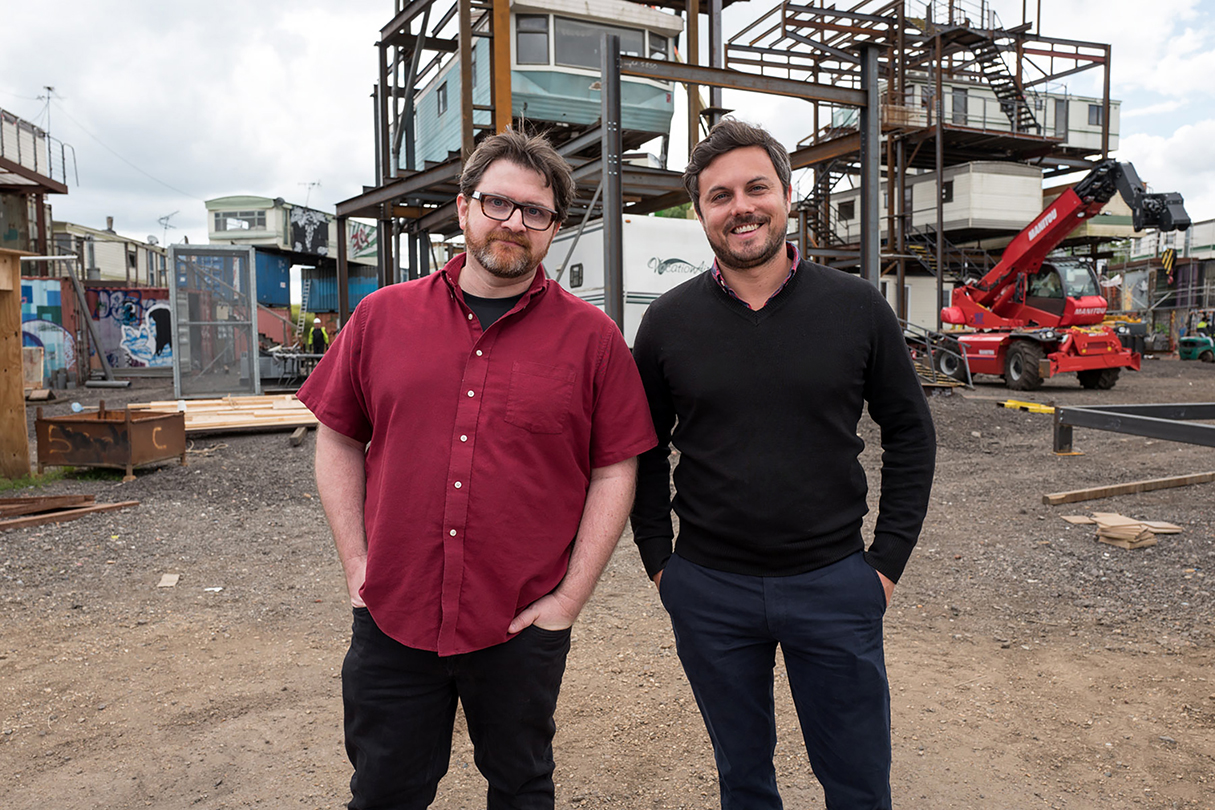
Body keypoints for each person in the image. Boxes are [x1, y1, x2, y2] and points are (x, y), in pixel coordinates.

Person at [298, 128, 657, 810]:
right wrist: (356, 566)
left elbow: (615, 469)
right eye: (498, 203)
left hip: (520, 623)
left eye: (535, 212)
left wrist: (568, 601)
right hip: (394, 615)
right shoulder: (380, 318)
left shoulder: (593, 341)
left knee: (522, 789)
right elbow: (338, 435)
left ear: (553, 227)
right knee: (382, 792)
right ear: (463, 208)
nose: (513, 224)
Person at [629, 119, 937, 810]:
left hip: (833, 584)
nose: (740, 206)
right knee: (742, 782)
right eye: (719, 195)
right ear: (700, 213)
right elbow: (641, 447)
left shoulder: (856, 307)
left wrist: (883, 565)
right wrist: (661, 563)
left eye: (755, 187)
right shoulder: (668, 323)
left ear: (786, 196)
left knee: (858, 783)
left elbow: (911, 435)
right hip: (708, 590)